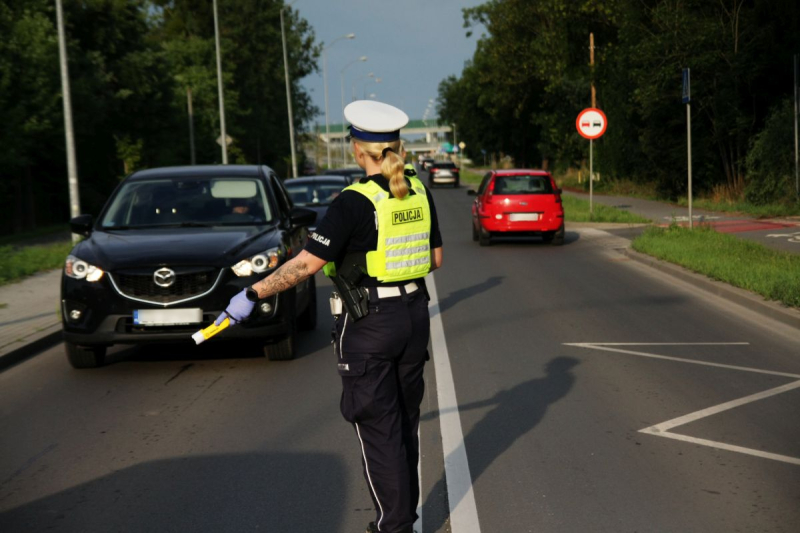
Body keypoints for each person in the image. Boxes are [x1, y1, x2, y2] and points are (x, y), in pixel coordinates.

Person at [216, 100, 443, 533]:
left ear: (357, 149)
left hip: (371, 322)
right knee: (403, 425)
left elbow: (305, 265)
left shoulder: (353, 203)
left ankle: (394, 528)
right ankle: (403, 520)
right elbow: (435, 258)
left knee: (380, 430)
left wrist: (251, 293)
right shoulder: (417, 190)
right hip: (414, 317)